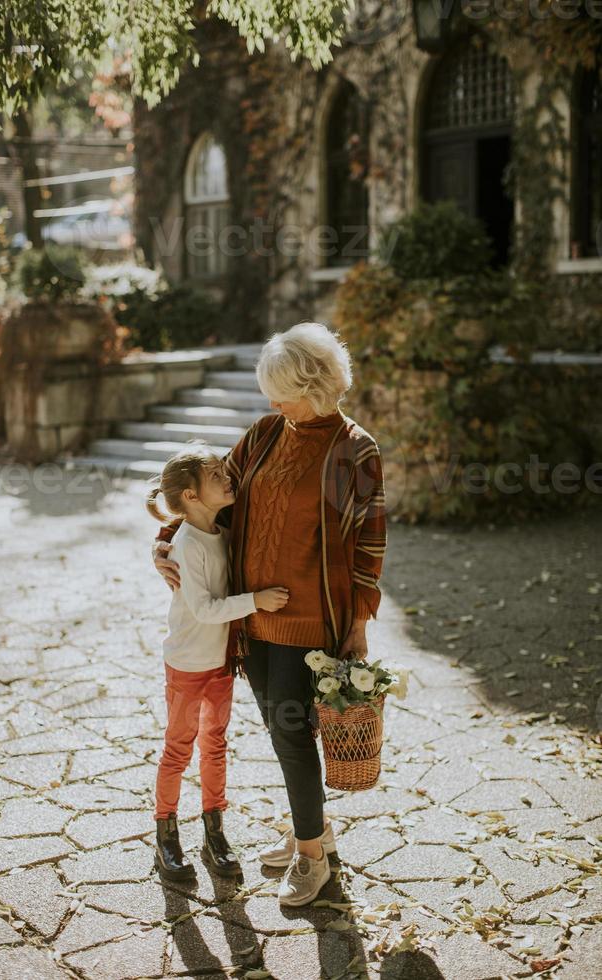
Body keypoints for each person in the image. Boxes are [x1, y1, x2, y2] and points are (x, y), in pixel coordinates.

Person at [153, 322, 386, 906]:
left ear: (311, 385)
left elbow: (369, 543)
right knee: (286, 731)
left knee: (289, 730)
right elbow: (210, 503)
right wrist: (167, 541)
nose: (270, 402)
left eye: (279, 391)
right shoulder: (263, 434)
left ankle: (312, 855)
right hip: (250, 617)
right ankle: (316, 831)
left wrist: (357, 621)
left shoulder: (355, 451)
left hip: (311, 619)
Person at [146, 444, 289, 880]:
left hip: (219, 663)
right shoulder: (188, 544)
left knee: (216, 746)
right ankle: (166, 835)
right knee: (178, 749)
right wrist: (256, 602)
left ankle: (215, 832)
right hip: (189, 664)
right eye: (215, 476)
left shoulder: (220, 532)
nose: (228, 479)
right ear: (190, 496)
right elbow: (206, 609)